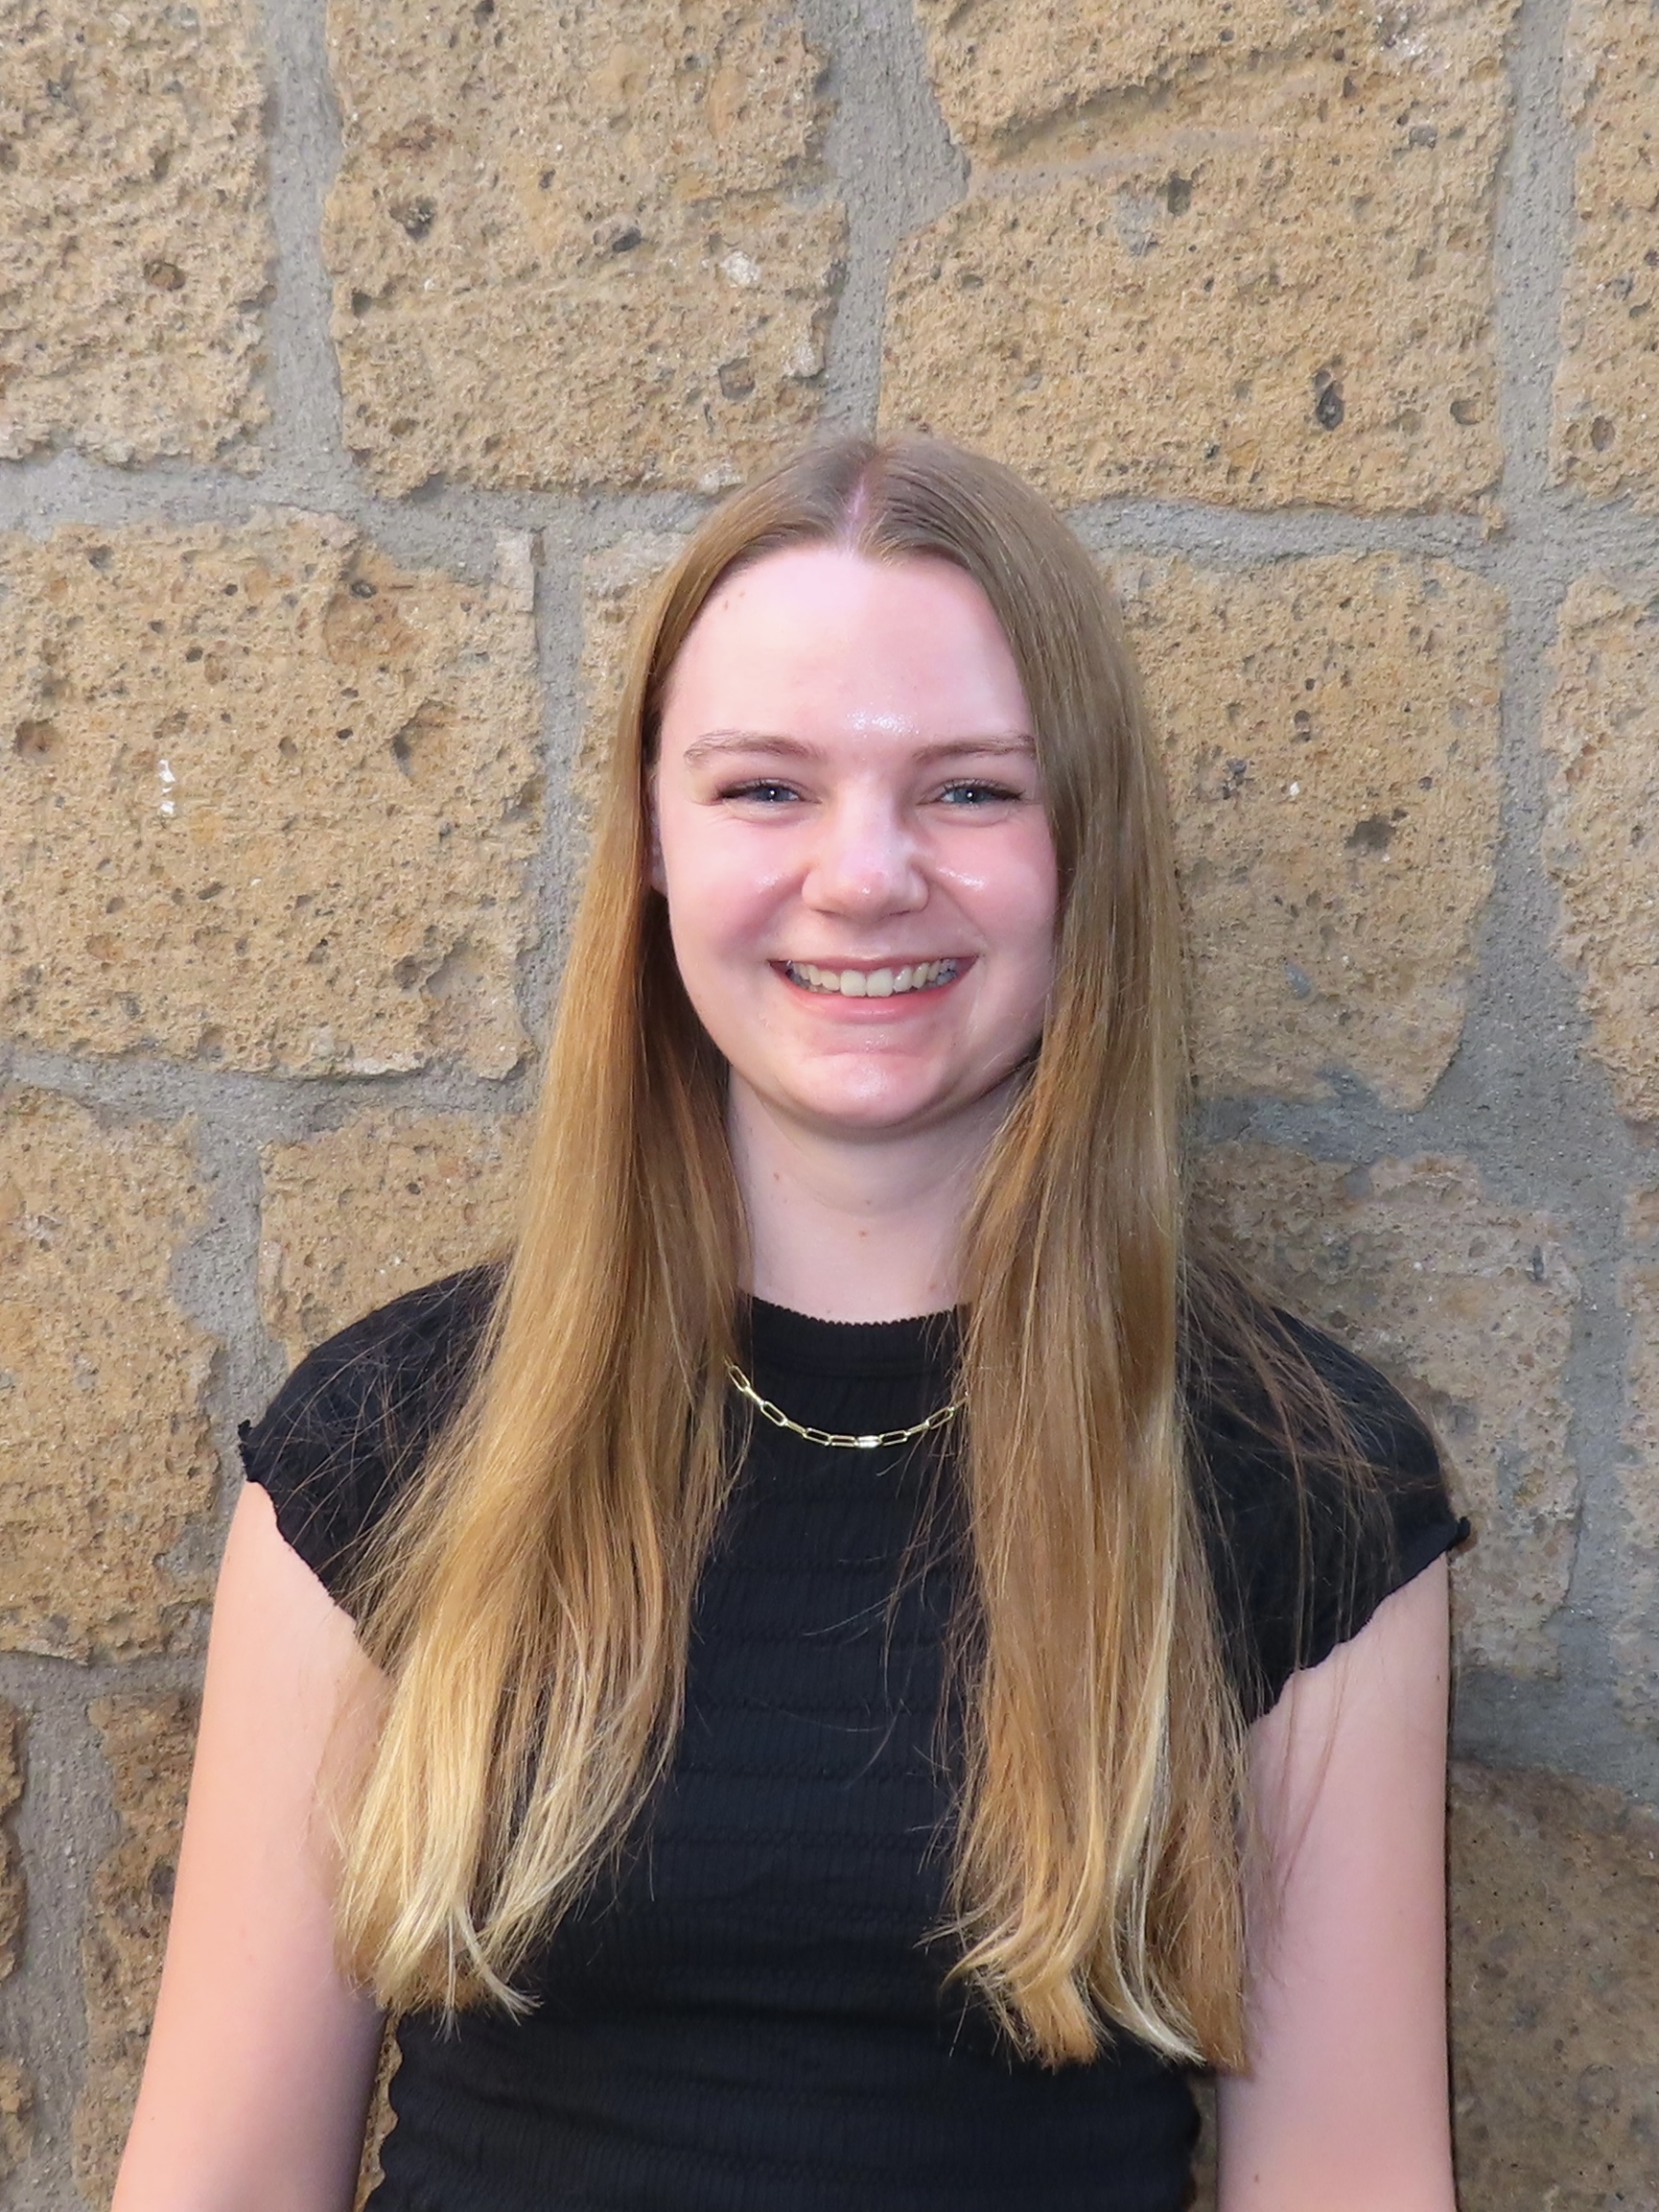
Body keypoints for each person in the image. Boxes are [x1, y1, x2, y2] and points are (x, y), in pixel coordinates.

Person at [112, 435, 1465, 2212]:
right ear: (655, 844)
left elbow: (1352, 2186)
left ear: (1090, 848)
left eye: (972, 790)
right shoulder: (393, 1442)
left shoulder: (1300, 1484)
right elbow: (217, 2179)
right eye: (765, 787)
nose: (863, 874)